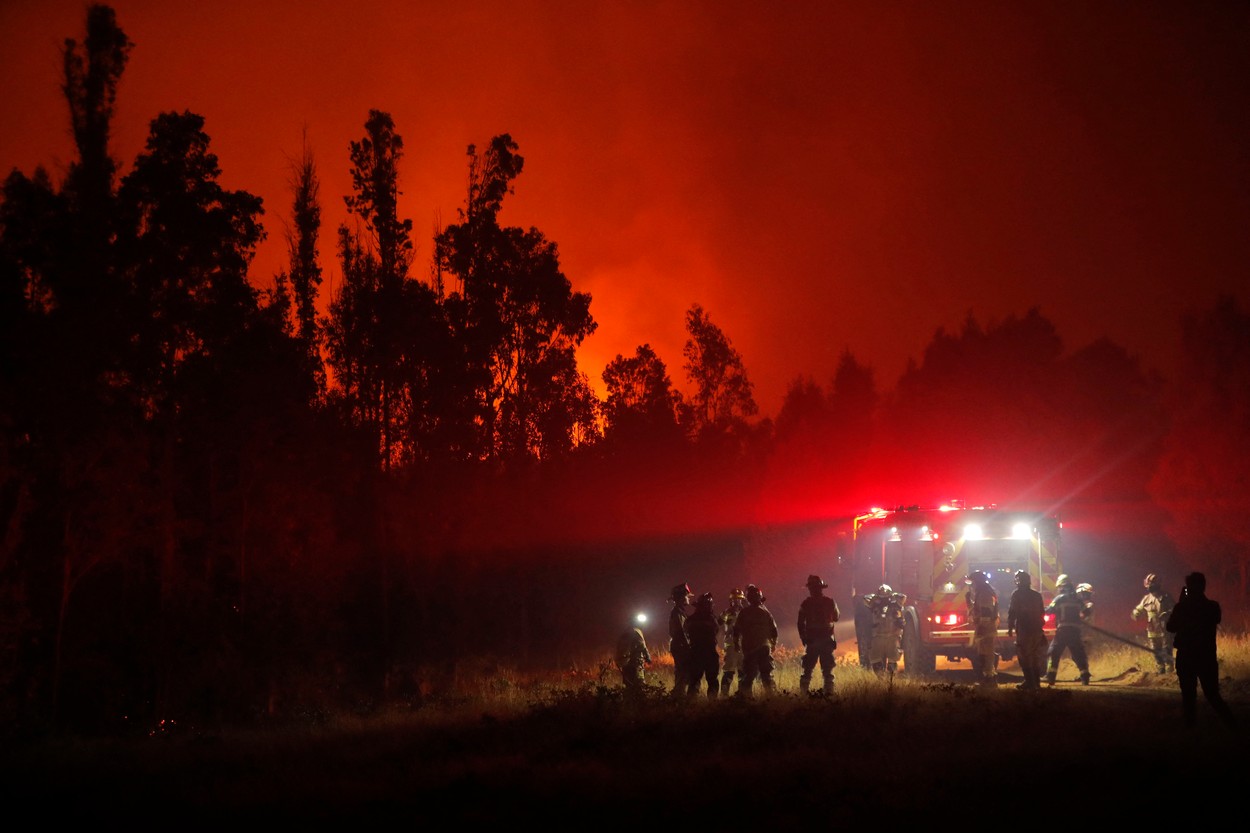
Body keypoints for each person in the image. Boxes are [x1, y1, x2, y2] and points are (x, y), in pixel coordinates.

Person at [1166, 572, 1237, 729]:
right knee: (1212, 695)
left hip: (1186, 656)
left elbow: (1170, 627)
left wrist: (1182, 603)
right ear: (1203, 586)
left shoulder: (1182, 607)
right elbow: (1216, 618)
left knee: (1188, 696)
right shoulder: (1212, 606)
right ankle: (1233, 725)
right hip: (1207, 656)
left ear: (1189, 587)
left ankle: (1191, 728)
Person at [797, 574, 840, 695]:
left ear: (810, 589)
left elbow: (800, 623)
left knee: (808, 669)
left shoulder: (805, 604)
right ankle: (829, 694)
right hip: (827, 640)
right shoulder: (830, 602)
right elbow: (836, 617)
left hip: (812, 641)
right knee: (827, 671)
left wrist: (803, 638)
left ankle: (803, 694)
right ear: (821, 588)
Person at [1045, 574, 1091, 686]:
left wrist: (1040, 609)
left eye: (1059, 587)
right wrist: (1080, 618)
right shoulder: (1077, 599)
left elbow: (1049, 610)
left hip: (1063, 631)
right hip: (1075, 631)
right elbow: (1087, 611)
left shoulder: (1059, 598)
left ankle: (1050, 677)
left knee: (1053, 652)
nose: (1059, 589)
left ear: (1062, 586)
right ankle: (1085, 677)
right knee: (1079, 654)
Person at [733, 584, 778, 697]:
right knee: (766, 675)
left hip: (749, 648)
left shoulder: (743, 613)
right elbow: (774, 630)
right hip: (764, 647)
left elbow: (736, 630)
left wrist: (736, 644)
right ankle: (771, 697)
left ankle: (745, 698)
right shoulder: (765, 612)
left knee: (749, 675)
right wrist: (773, 643)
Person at [1006, 570, 1047, 690]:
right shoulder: (1036, 594)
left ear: (1018, 581)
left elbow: (1012, 611)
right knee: (1035, 656)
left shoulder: (1017, 594)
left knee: (1024, 656)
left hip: (1024, 630)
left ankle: (1029, 682)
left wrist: (1010, 626)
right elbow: (1042, 612)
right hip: (1037, 630)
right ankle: (1036, 683)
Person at [1132, 573, 1175, 674]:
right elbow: (1139, 609)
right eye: (1148, 585)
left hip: (1165, 630)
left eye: (1151, 585)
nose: (1149, 587)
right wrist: (1135, 613)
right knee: (1156, 651)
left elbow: (1175, 609)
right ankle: (1160, 670)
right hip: (1152, 631)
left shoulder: (1166, 596)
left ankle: (1169, 672)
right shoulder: (1146, 599)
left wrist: (1167, 613)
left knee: (1166, 650)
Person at [965, 570, 999, 686]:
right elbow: (978, 609)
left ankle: (989, 679)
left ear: (977, 582)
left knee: (986, 654)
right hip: (986, 627)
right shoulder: (984, 591)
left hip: (986, 628)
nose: (972, 585)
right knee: (984, 653)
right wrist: (968, 602)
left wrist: (982, 627)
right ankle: (988, 678)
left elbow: (985, 612)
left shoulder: (984, 593)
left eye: (973, 582)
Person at [685, 592, 721, 699]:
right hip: (709, 653)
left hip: (695, 652)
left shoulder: (690, 620)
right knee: (712, 680)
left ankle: (691, 705)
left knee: (694, 681)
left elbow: (686, 633)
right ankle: (712, 704)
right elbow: (716, 630)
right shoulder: (711, 619)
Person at [866, 584, 905, 678]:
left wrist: (894, 595)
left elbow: (903, 598)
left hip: (892, 636)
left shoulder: (896, 605)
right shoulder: (874, 605)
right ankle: (881, 679)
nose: (884, 599)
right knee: (875, 659)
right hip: (878, 637)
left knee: (892, 660)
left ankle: (889, 681)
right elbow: (865, 599)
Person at [668, 583, 695, 697]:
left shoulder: (680, 611)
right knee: (682, 674)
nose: (688, 598)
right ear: (681, 597)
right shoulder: (677, 613)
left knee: (684, 674)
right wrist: (688, 646)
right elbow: (680, 632)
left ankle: (679, 697)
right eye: (687, 596)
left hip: (681, 646)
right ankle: (678, 698)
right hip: (681, 647)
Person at [719, 588, 747, 695]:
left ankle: (742, 695)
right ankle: (724, 696)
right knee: (728, 671)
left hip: (744, 646)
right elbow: (719, 622)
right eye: (734, 599)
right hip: (731, 646)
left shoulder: (745, 612)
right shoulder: (727, 612)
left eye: (739, 599)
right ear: (731, 600)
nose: (737, 601)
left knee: (743, 672)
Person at [615, 623, 652, 697]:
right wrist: (648, 658)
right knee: (639, 684)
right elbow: (643, 646)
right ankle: (640, 702)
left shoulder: (626, 633)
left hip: (626, 664)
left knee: (629, 685)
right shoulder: (637, 632)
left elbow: (620, 650)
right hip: (636, 663)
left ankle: (628, 702)